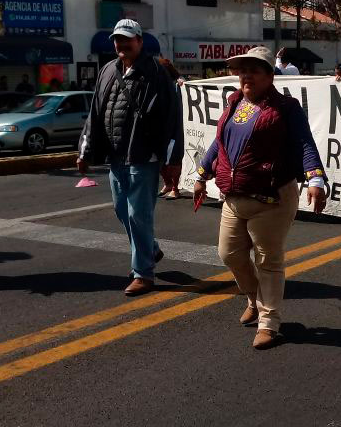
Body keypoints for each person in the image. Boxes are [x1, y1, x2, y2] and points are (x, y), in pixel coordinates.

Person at [192, 46, 327, 349]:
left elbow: (304, 143)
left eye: (253, 70)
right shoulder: (234, 103)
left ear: (270, 75)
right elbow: (219, 144)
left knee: (268, 261)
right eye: (242, 70)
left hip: (272, 197)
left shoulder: (286, 109)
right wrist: (201, 175)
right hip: (234, 195)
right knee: (229, 254)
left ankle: (269, 322)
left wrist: (315, 178)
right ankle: (253, 298)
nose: (245, 75)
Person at [77, 19, 183, 296]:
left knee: (138, 215)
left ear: (140, 41)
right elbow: (96, 113)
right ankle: (151, 248)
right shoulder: (108, 70)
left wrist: (172, 160)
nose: (121, 44)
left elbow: (172, 118)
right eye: (117, 40)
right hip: (115, 157)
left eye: (127, 39)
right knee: (122, 211)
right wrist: (85, 150)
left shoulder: (156, 72)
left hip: (143, 156)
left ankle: (143, 273)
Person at [157, 58, 185, 201]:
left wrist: (181, 82)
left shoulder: (177, 86)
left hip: (175, 127)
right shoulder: (156, 85)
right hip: (160, 127)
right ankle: (167, 184)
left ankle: (175, 188)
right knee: (160, 160)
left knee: (173, 160)